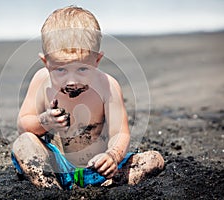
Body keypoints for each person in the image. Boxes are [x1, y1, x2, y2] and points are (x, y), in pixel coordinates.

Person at [12, 6, 164, 190]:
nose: (72, 81)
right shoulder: (41, 81)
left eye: (82, 69)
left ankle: (106, 185)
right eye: (60, 70)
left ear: (97, 60)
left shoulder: (108, 86)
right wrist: (45, 121)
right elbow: (23, 126)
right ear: (46, 62)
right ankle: (50, 188)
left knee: (154, 159)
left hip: (98, 169)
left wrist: (112, 156)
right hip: (57, 166)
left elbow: (120, 133)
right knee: (23, 144)